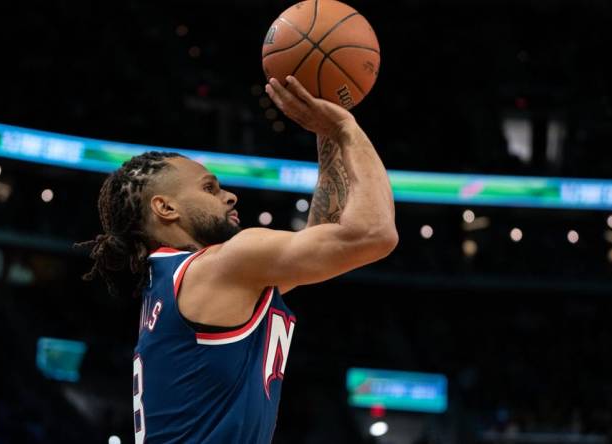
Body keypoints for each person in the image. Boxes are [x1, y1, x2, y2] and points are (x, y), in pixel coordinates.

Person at [77, 76, 398, 443]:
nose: (229, 197)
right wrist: (344, 127)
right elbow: (373, 234)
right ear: (165, 208)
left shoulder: (185, 280)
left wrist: (325, 134)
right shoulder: (223, 266)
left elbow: (324, 237)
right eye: (209, 188)